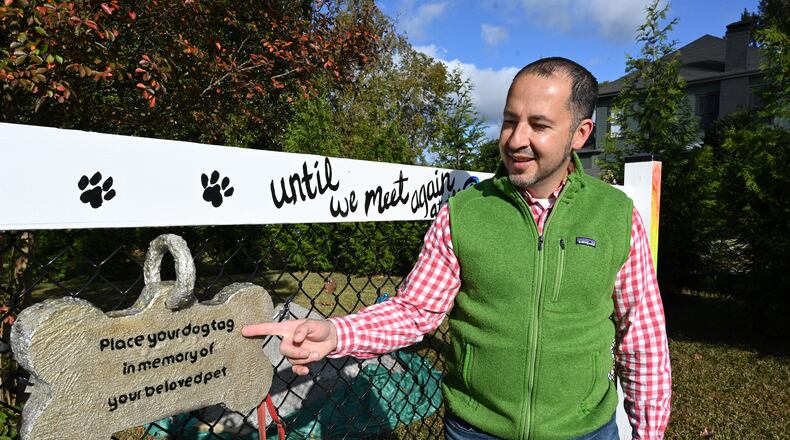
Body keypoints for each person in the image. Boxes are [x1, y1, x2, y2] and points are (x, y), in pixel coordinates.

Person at [242, 57, 671, 440]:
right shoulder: (464, 213)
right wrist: (336, 333)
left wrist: (649, 433)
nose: (516, 139)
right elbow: (415, 311)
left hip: (583, 431)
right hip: (476, 430)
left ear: (580, 134)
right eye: (509, 120)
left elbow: (643, 338)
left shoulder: (615, 215)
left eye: (538, 125)